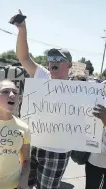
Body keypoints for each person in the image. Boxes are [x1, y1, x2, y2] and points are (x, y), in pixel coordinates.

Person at [11, 10, 74, 189]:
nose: (52, 61)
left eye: (58, 58)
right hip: (31, 144)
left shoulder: (79, 90)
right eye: (50, 58)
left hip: (57, 151)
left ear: (69, 64)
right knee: (21, 186)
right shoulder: (42, 75)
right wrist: (22, 29)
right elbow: (24, 57)